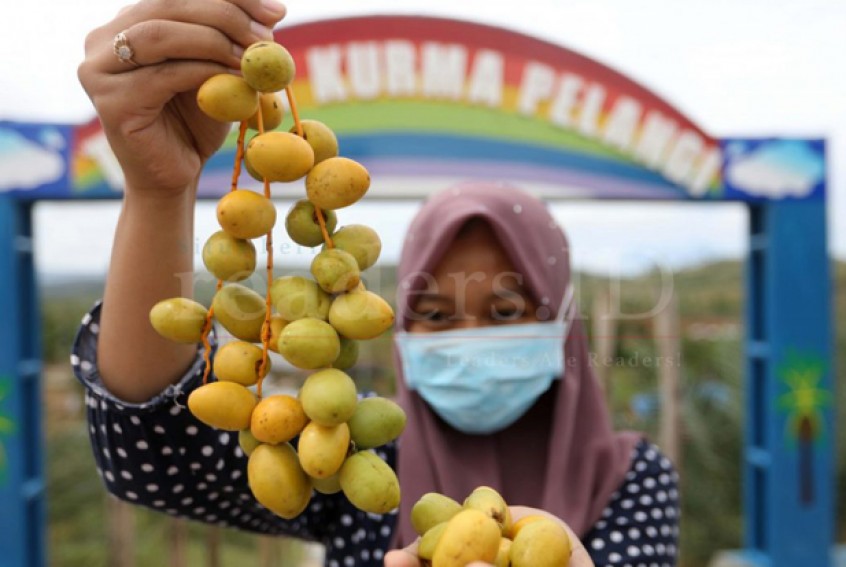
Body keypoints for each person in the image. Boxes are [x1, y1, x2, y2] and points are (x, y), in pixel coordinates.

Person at [73, 1, 679, 566]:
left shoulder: (631, 478)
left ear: (562, 323)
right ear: (400, 326)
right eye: (437, 316)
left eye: (502, 312)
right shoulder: (350, 453)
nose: (467, 339)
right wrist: (158, 190)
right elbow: (154, 458)